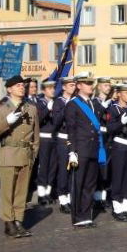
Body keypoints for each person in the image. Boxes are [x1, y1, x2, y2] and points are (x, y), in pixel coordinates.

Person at [0, 75, 39, 238]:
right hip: (9, 152)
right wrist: (7, 122)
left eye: (22, 85)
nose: (21, 88)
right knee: (7, 191)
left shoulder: (30, 108)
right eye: (17, 86)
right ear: (9, 89)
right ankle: (8, 222)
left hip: (26, 154)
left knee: (21, 191)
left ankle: (19, 220)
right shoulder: (2, 108)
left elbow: (36, 136)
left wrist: (33, 154)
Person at [65, 72, 106, 228]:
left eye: (91, 83)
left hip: (93, 149)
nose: (90, 86)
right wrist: (72, 151)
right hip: (80, 150)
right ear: (79, 86)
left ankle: (86, 214)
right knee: (78, 184)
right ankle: (77, 217)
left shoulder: (93, 104)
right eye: (87, 83)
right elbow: (71, 130)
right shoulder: (73, 104)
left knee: (90, 184)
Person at [107, 83, 127, 222]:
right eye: (126, 92)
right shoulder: (113, 109)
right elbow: (110, 128)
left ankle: (125, 207)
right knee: (118, 177)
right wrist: (121, 122)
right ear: (118, 94)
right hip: (120, 147)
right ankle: (117, 208)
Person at [52, 75, 76, 214]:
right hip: (63, 138)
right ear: (64, 87)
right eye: (71, 85)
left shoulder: (76, 101)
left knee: (73, 169)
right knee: (63, 170)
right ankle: (63, 199)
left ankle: (71, 196)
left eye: (74, 85)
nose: (73, 87)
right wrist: (66, 108)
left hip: (75, 139)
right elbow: (56, 121)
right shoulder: (59, 102)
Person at [36, 79, 57, 205]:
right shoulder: (40, 103)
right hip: (44, 138)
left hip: (54, 138)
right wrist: (47, 110)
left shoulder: (56, 103)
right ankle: (41, 194)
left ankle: (48, 192)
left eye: (53, 88)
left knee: (52, 167)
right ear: (44, 91)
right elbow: (38, 119)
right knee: (43, 167)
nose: (53, 90)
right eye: (49, 88)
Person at [92, 76, 112, 210]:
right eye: (105, 85)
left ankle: (104, 196)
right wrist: (101, 108)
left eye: (109, 85)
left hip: (109, 139)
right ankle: (97, 198)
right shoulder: (93, 102)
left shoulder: (111, 103)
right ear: (99, 87)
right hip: (98, 139)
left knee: (107, 170)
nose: (108, 87)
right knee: (99, 169)